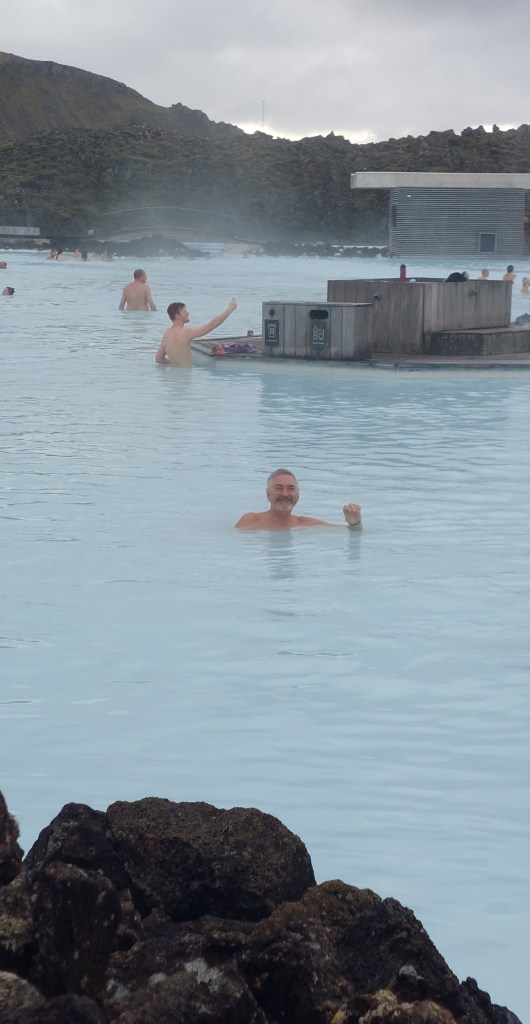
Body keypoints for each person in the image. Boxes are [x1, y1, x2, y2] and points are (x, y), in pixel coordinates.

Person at [234, 469, 362, 531]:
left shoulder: (304, 524)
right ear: (268, 494)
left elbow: (348, 531)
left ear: (298, 494)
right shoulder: (251, 520)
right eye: (279, 488)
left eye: (291, 488)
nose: (285, 494)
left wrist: (355, 522)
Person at [155, 298, 237, 367]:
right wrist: (230, 309)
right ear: (177, 316)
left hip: (172, 377)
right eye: (184, 311)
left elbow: (159, 359)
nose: (188, 313)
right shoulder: (185, 333)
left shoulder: (166, 335)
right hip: (184, 377)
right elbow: (212, 325)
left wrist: (174, 363)